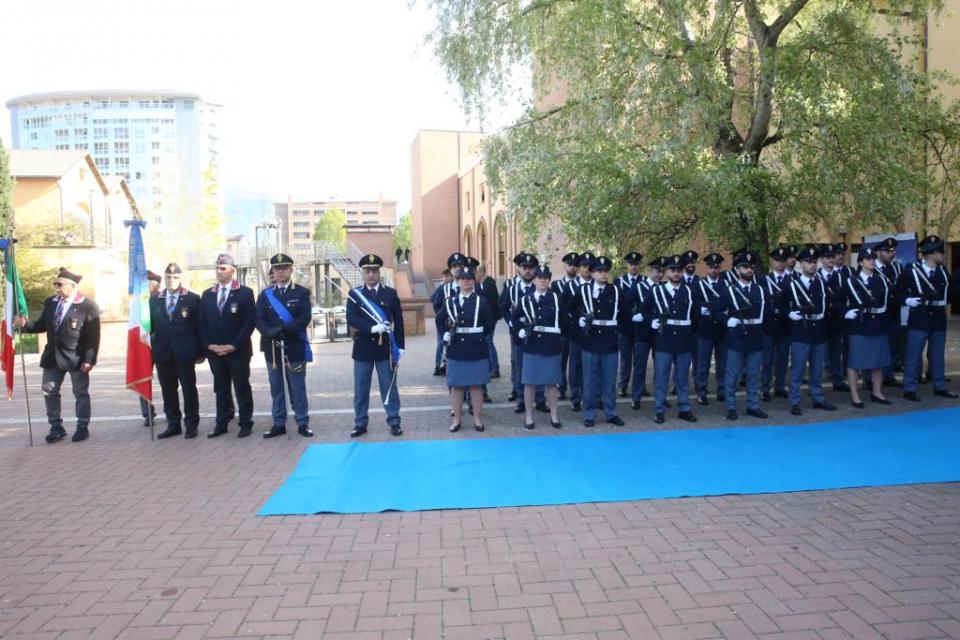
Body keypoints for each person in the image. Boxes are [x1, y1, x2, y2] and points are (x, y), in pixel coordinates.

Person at [16, 267, 100, 443]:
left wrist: (89, 359)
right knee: (49, 391)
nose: (56, 287)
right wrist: (24, 324)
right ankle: (56, 427)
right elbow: (41, 326)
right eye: (55, 284)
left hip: (76, 358)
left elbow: (93, 337)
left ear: (72, 286)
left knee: (80, 393)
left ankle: (82, 426)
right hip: (53, 357)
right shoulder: (51, 303)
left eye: (59, 284)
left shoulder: (87, 306)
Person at [256, 253, 314, 438]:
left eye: (284, 268)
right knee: (276, 388)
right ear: (272, 271)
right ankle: (279, 423)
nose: (280, 272)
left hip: (294, 346)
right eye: (277, 269)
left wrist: (282, 329)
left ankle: (302, 422)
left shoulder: (301, 293)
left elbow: (304, 318)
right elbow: (258, 318)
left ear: (290, 270)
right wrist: (269, 331)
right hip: (272, 347)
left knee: (297, 388)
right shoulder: (265, 295)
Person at [199, 254, 256, 438]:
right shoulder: (207, 295)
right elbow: (201, 323)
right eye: (217, 268)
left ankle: (245, 423)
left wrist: (234, 345)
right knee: (220, 388)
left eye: (223, 268)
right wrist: (209, 345)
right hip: (215, 351)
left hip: (237, 351)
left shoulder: (245, 293)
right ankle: (221, 423)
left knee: (241, 387)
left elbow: (249, 323)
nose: (219, 271)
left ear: (232, 270)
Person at [348, 254, 406, 437]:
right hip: (363, 347)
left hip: (385, 348)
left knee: (389, 386)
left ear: (379, 272)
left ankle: (394, 421)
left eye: (374, 271)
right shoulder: (355, 294)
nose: (371, 274)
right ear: (363, 273)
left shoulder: (390, 293)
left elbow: (399, 321)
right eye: (367, 271)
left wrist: (401, 346)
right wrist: (371, 328)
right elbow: (352, 318)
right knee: (361, 387)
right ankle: (360, 423)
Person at [898, 235, 958, 401]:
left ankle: (939, 386)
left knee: (938, 355)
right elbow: (898, 291)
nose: (944, 256)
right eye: (941, 253)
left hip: (938, 317)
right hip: (920, 317)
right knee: (913, 355)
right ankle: (909, 388)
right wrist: (907, 300)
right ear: (932, 254)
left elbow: (951, 293)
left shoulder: (943, 272)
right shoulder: (912, 270)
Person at [149, 263, 203, 439]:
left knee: (189, 389)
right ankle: (173, 424)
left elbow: (199, 327)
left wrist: (201, 352)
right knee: (168, 390)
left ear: (181, 278)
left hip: (185, 353)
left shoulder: (193, 299)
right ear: (164, 279)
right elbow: (149, 328)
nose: (172, 280)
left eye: (175, 277)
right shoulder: (154, 299)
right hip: (163, 353)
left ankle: (191, 424)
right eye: (169, 277)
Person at [714, 251, 769, 420]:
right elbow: (716, 310)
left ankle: (753, 405)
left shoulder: (760, 290)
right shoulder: (729, 290)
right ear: (737, 270)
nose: (749, 270)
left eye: (751, 267)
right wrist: (726, 320)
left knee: (753, 375)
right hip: (737, 337)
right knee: (732, 375)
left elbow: (765, 314)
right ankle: (731, 407)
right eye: (745, 267)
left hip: (755, 337)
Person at [439, 267, 495, 432]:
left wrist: (477, 335)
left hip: (476, 348)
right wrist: (444, 335)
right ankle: (457, 420)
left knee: (476, 386)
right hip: (456, 348)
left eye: (469, 278)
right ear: (457, 281)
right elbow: (439, 320)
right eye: (462, 279)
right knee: (457, 386)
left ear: (473, 281)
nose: (466, 281)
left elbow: (489, 324)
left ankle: (477, 419)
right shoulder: (450, 302)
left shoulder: (481, 301)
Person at [643, 255, 698, 424]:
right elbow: (644, 310)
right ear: (666, 271)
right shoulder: (657, 290)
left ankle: (684, 408)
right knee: (661, 376)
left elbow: (695, 317)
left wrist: (691, 335)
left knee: (682, 377)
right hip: (664, 339)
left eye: (679, 270)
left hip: (684, 340)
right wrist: (651, 321)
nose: (676, 273)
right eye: (672, 270)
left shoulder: (690, 291)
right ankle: (659, 409)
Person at [836, 246, 893, 408]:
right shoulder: (851, 281)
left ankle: (877, 392)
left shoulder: (881, 280)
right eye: (868, 259)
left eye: (873, 258)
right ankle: (855, 395)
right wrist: (846, 312)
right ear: (860, 262)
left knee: (878, 361)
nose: (872, 261)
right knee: (855, 362)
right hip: (859, 326)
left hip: (878, 324)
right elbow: (836, 300)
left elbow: (890, 299)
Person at [575, 256, 627, 427]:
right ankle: (589, 414)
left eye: (606, 271)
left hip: (610, 341)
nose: (604, 274)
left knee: (609, 380)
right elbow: (568, 308)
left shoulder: (616, 291)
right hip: (589, 341)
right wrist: (579, 320)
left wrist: (618, 328)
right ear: (592, 273)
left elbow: (624, 314)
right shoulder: (583, 290)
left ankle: (611, 413)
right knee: (589, 380)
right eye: (600, 271)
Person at [785, 247, 837, 415]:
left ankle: (818, 398)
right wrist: (789, 314)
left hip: (818, 330)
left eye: (815, 262)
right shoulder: (792, 284)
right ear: (801, 264)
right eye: (808, 262)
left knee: (817, 369)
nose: (812, 265)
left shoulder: (821, 283)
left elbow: (829, 304)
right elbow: (778, 304)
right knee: (798, 369)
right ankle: (794, 401)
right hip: (801, 331)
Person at [514, 265, 566, 429]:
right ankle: (529, 417)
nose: (542, 280)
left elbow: (565, 321)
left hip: (551, 345)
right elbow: (514, 320)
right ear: (534, 280)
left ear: (549, 280)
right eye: (539, 278)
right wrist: (520, 331)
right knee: (529, 383)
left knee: (551, 383)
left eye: (545, 278)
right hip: (532, 345)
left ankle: (554, 415)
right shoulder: (525, 300)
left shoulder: (557, 298)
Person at [501, 252, 545, 413]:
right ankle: (521, 399)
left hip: (538, 332)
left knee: (538, 364)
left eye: (530, 268)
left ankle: (540, 398)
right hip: (518, 332)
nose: (527, 271)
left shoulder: (540, 286)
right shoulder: (511, 287)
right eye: (524, 267)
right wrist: (511, 323)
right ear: (518, 269)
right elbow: (503, 306)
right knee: (519, 365)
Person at [692, 253, 728, 405]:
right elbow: (695, 305)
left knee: (723, 362)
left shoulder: (726, 285)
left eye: (717, 266)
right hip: (705, 329)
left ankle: (722, 389)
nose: (714, 269)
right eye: (711, 266)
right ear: (707, 267)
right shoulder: (699, 284)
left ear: (720, 267)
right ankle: (702, 391)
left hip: (722, 329)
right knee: (703, 362)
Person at [760, 247, 792, 401]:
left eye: (782, 260)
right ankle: (765, 387)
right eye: (777, 260)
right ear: (772, 262)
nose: (780, 263)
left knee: (783, 357)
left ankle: (780, 386)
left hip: (785, 325)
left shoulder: (793, 279)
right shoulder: (764, 279)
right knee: (767, 359)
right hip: (768, 325)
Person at [820, 244, 852, 392]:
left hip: (836, 319)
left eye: (832, 257)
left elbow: (845, 296)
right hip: (821, 319)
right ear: (821, 259)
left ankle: (837, 380)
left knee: (835, 350)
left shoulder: (841, 276)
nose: (831, 260)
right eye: (827, 257)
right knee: (818, 352)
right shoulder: (817, 276)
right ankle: (817, 381)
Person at [566, 251, 595, 411]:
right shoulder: (570, 286)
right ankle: (576, 396)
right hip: (576, 331)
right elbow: (565, 307)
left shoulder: (597, 285)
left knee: (592, 366)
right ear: (579, 268)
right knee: (576, 365)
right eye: (584, 266)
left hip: (594, 332)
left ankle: (591, 395)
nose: (587, 269)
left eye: (590, 266)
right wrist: (576, 318)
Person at [625, 259, 655, 411]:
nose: (659, 274)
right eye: (656, 270)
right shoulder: (639, 286)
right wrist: (634, 314)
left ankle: (659, 397)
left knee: (661, 366)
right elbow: (626, 303)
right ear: (650, 271)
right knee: (640, 366)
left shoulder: (663, 287)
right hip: (642, 332)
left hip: (659, 332)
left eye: (661, 271)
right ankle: (636, 397)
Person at [875, 236, 904, 385]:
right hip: (878, 314)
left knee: (893, 344)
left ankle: (888, 374)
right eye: (887, 251)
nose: (891, 254)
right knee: (876, 347)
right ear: (879, 252)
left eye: (893, 251)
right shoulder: (871, 269)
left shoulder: (897, 267)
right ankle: (870, 378)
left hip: (894, 312)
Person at [551, 252, 580, 399]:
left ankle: (576, 390)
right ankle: (561, 388)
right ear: (565, 266)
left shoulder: (583, 285)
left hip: (578, 330)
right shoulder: (557, 285)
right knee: (561, 361)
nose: (573, 268)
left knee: (576, 363)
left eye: (575, 265)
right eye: (570, 265)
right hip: (563, 330)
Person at [614, 252, 643, 397]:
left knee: (640, 359)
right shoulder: (618, 282)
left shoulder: (644, 281)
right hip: (624, 326)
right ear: (627, 265)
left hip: (640, 327)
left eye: (636, 264)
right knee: (625, 358)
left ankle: (640, 386)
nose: (633, 266)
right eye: (631, 264)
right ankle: (623, 385)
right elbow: (618, 303)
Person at [139, 270, 161, 426]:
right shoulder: (138, 302)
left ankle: (171, 410)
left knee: (167, 381)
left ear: (155, 285)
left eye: (147, 284)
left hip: (160, 344)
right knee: (143, 380)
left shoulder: (162, 298)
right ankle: (147, 413)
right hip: (143, 345)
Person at [477, 264, 502, 378]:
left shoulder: (489, 285)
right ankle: (490, 366)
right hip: (487, 319)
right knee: (487, 342)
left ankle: (494, 368)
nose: (474, 275)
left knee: (489, 342)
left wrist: (491, 319)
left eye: (476, 272)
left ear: (482, 273)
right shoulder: (483, 284)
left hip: (490, 319)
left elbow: (492, 303)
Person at [430, 268, 454, 375]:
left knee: (450, 343)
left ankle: (447, 364)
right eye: (444, 277)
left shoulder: (454, 288)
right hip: (443, 320)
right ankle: (437, 365)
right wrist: (440, 315)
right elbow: (432, 300)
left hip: (452, 320)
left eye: (447, 276)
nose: (446, 279)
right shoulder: (441, 288)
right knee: (441, 343)